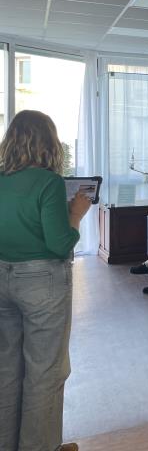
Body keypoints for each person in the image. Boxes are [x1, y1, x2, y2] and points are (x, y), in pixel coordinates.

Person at [0, 110, 92, 451]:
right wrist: (76, 215)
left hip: (2, 277)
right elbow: (60, 244)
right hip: (41, 282)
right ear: (48, 142)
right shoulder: (49, 182)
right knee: (44, 372)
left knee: (7, 369)